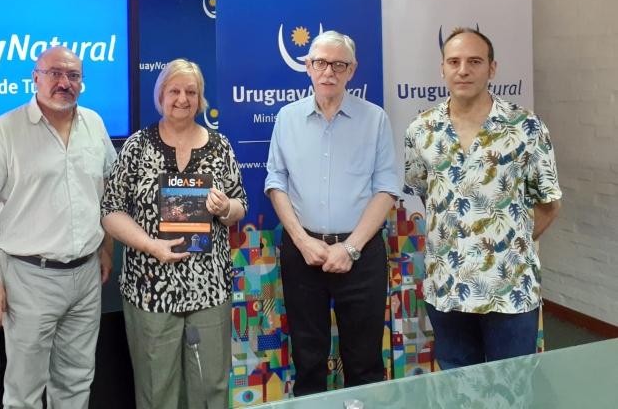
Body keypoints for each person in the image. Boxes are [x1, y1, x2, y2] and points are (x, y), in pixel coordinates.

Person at [0, 46, 116, 409]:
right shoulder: (5, 129)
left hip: (86, 277)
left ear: (82, 82)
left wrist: (106, 249)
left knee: (76, 382)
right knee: (25, 392)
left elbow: (106, 192)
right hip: (29, 277)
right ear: (35, 77)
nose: (64, 83)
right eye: (54, 73)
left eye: (73, 76)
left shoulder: (95, 124)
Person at [403, 27, 562, 369]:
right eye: (454, 61)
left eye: (474, 61)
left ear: (492, 68)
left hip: (510, 289)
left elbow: (549, 203)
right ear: (442, 69)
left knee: (513, 387)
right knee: (456, 384)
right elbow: (423, 191)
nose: (463, 70)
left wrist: (506, 244)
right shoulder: (421, 129)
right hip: (446, 286)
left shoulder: (526, 127)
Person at [101, 59, 247, 409]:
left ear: (200, 99)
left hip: (209, 289)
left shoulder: (220, 146)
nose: (182, 99)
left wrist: (225, 208)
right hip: (150, 288)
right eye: (174, 91)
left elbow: (240, 205)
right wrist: (151, 245)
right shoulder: (137, 147)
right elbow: (110, 212)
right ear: (161, 95)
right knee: (157, 390)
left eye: (191, 92)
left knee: (210, 388)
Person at [265, 30, 399, 395]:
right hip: (302, 252)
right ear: (307, 67)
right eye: (320, 63)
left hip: (361, 254)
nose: (329, 72)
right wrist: (301, 240)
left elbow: (386, 188)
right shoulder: (287, 118)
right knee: (308, 360)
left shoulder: (375, 120)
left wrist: (351, 248)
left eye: (338, 65)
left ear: (352, 70)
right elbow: (275, 182)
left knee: (365, 360)